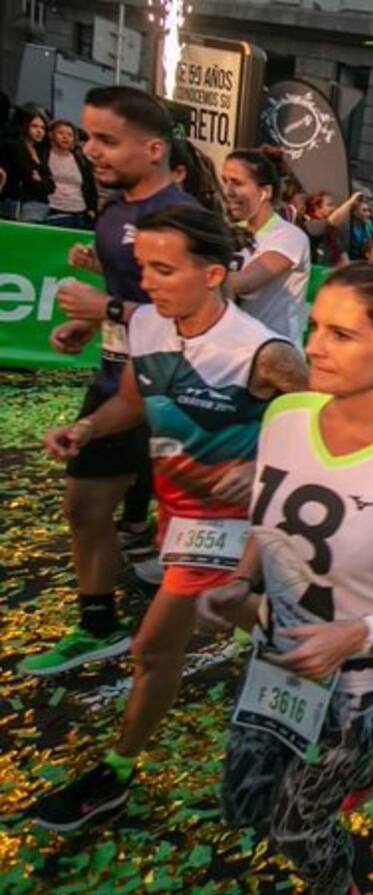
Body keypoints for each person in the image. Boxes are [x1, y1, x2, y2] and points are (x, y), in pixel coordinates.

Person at [30, 205, 308, 831]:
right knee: (236, 618)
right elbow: (134, 400)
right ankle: (308, 643)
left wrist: (264, 472)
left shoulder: (264, 353)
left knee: (154, 647)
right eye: (142, 268)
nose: (147, 283)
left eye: (163, 270)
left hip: (234, 524)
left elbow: (325, 428)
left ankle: (115, 774)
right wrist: (87, 427)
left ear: (213, 274)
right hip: (177, 514)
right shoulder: (150, 325)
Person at [204, 263, 373, 895]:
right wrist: (240, 580)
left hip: (365, 679)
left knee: (297, 829)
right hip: (282, 656)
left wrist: (358, 633)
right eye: (315, 326)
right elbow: (270, 516)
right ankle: (368, 769)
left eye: (341, 335)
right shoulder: (286, 415)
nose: (314, 347)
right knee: (244, 802)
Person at [19, 87, 202, 678]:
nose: (92, 150)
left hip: (168, 389)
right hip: (117, 378)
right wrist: (87, 324)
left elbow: (200, 317)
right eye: (88, 137)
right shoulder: (116, 210)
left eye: (107, 140)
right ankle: (101, 624)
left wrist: (108, 310)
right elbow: (131, 296)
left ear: (154, 149)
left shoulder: (181, 218)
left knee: (189, 531)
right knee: (86, 503)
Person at [222, 149, 312, 344]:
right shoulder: (229, 231)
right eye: (225, 181)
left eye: (236, 182)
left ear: (265, 192)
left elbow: (245, 283)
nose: (228, 191)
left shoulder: (290, 236)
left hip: (276, 352)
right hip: (234, 349)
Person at [2, 106, 53, 222]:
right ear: (24, 126)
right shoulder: (14, 147)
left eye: (43, 128)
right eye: (34, 126)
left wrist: (41, 181)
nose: (39, 131)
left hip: (40, 205)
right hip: (20, 204)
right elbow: (29, 180)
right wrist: (42, 181)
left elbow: (52, 186)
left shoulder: (41, 151)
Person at [45, 120, 98, 229]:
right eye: (61, 133)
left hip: (80, 211)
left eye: (70, 135)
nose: (65, 137)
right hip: (54, 210)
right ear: (51, 135)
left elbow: (90, 185)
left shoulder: (81, 159)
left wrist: (92, 208)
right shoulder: (44, 155)